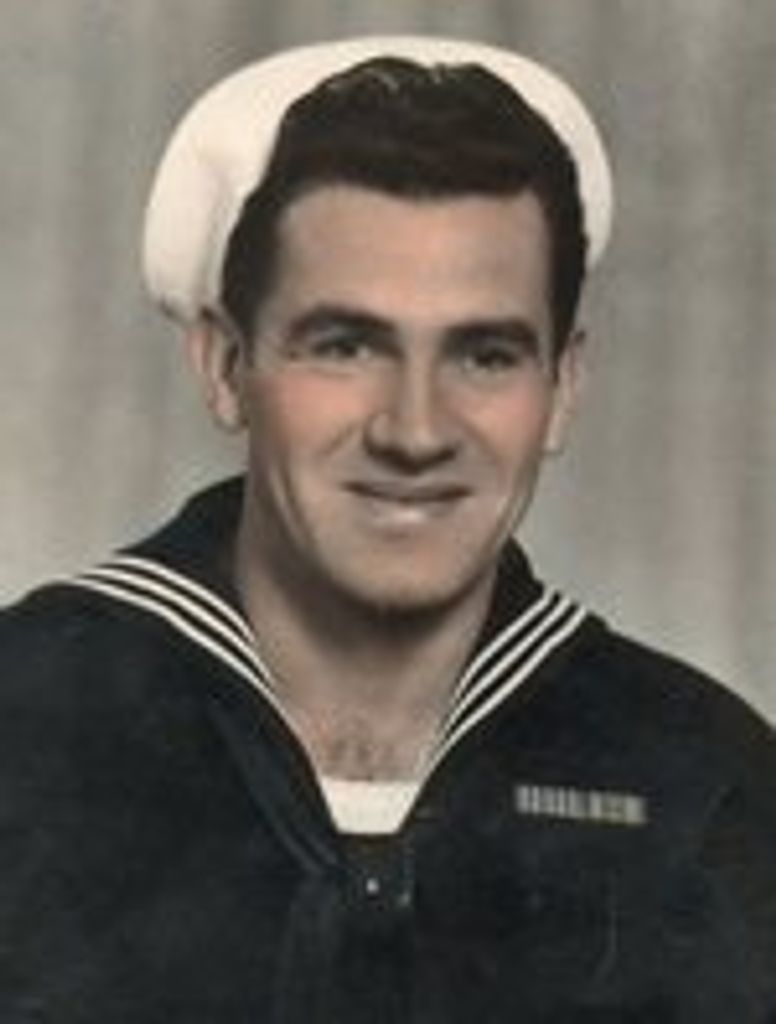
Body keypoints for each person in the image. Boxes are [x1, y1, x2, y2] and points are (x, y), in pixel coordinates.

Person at [1, 35, 774, 1024]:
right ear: (225, 366)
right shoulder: (24, 722)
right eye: (346, 345)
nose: (414, 431)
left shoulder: (705, 782)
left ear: (563, 387)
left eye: (485, 355)